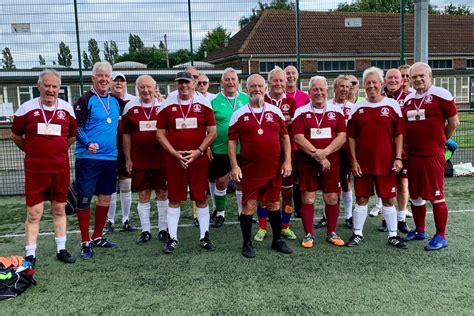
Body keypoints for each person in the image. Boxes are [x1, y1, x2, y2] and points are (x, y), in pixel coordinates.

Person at [11, 69, 77, 265]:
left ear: (59, 89)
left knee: (59, 209)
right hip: (35, 170)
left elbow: (72, 137)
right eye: (46, 86)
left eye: (54, 86)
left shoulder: (67, 109)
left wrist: (54, 152)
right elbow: (16, 135)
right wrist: (33, 151)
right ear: (39, 86)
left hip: (60, 169)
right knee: (34, 213)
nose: (50, 90)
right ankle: (30, 254)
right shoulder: (26, 108)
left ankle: (61, 249)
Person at [229, 74, 292, 258]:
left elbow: (285, 138)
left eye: (260, 86)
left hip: (273, 167)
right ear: (246, 90)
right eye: (253, 86)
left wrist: (287, 161)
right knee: (249, 205)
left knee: (273, 203)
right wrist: (234, 166)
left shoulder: (275, 112)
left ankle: (277, 240)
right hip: (250, 169)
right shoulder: (238, 114)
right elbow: (232, 142)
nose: (257, 89)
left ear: (265, 88)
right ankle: (247, 243)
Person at [346, 66, 407, 249]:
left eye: (374, 82)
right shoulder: (357, 107)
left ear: (382, 84)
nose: (371, 86)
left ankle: (393, 235)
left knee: (388, 199)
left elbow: (399, 134)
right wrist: (354, 161)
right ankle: (357, 233)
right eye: (368, 83)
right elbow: (351, 136)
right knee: (362, 199)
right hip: (362, 164)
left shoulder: (392, 105)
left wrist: (398, 158)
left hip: (386, 162)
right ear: (363, 86)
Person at [156, 72, 217, 254]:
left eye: (187, 82)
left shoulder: (204, 104)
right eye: (180, 82)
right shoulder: (167, 104)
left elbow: (212, 132)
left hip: (198, 159)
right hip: (175, 160)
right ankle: (173, 238)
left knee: (201, 197)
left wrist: (198, 151)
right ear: (176, 84)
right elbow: (159, 134)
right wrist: (174, 153)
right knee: (174, 198)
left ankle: (204, 236)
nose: (183, 86)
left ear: (194, 83)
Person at [403, 62, 460, 251]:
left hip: (433, 155)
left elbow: (454, 122)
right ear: (410, 79)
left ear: (430, 75)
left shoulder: (441, 94)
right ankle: (420, 230)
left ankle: (441, 235)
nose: (418, 79)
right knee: (416, 195)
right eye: (414, 77)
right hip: (413, 155)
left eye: (421, 76)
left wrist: (441, 141)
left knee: (436, 196)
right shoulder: (409, 99)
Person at [74, 61, 125, 259]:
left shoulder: (116, 101)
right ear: (93, 78)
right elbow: (76, 128)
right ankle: (85, 241)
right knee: (85, 198)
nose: (104, 79)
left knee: (105, 197)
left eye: (107, 76)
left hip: (110, 158)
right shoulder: (85, 100)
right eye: (100, 76)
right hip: (88, 158)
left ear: (111, 80)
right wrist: (87, 144)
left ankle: (97, 236)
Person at [293, 76, 347, 248]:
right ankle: (309, 234)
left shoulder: (336, 111)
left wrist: (326, 153)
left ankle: (331, 232)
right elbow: (298, 138)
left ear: (327, 91)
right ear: (309, 92)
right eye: (315, 89)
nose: (319, 93)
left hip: (332, 161)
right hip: (308, 162)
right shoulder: (301, 112)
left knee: (331, 197)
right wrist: (319, 156)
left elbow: (342, 136)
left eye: (321, 89)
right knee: (308, 197)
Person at [122, 75, 169, 244]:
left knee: (163, 193)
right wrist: (128, 158)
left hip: (161, 159)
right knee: (143, 194)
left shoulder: (163, 105)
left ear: (154, 87)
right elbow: (126, 135)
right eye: (142, 87)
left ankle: (163, 229)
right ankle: (146, 231)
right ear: (137, 88)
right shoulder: (130, 107)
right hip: (140, 159)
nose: (145, 90)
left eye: (149, 87)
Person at [254, 67, 297, 242]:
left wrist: (289, 122)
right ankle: (263, 227)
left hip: (286, 154)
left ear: (286, 82)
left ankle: (285, 226)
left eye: (281, 80)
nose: (278, 84)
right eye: (275, 80)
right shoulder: (261, 100)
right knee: (263, 194)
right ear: (268, 83)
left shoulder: (292, 102)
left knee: (287, 193)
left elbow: (294, 125)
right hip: (266, 155)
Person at [209, 67, 249, 227]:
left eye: (233, 79)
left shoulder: (246, 99)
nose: (231, 82)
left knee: (241, 182)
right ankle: (220, 213)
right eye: (227, 80)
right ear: (221, 83)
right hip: (220, 148)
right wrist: (207, 147)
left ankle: (241, 212)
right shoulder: (213, 101)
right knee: (221, 181)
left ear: (238, 82)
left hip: (243, 148)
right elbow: (208, 126)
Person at [376, 68, 413, 233]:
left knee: (403, 183)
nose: (393, 81)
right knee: (386, 184)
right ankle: (386, 217)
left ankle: (401, 218)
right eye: (389, 78)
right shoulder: (379, 97)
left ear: (402, 80)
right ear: (384, 80)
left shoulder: (410, 97)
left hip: (404, 148)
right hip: (383, 148)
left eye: (396, 78)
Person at [105, 72, 136, 234]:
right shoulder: (105, 100)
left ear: (126, 83)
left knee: (126, 183)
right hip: (108, 146)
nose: (118, 83)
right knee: (111, 184)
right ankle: (109, 221)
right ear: (110, 83)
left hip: (127, 147)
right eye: (115, 81)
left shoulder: (133, 101)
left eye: (121, 81)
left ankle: (125, 219)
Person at [327, 75, 354, 229]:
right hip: (330, 150)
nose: (344, 90)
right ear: (335, 88)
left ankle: (349, 216)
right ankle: (327, 216)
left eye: (347, 87)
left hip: (346, 150)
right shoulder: (327, 105)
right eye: (341, 86)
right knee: (329, 183)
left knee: (345, 182)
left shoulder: (353, 106)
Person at [284, 65, 310, 219]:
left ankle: (298, 209)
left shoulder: (304, 96)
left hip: (300, 144)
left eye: (293, 73)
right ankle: (285, 209)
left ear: (298, 76)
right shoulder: (279, 96)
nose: (290, 76)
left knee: (299, 178)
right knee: (286, 180)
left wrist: (292, 121)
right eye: (288, 73)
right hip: (283, 144)